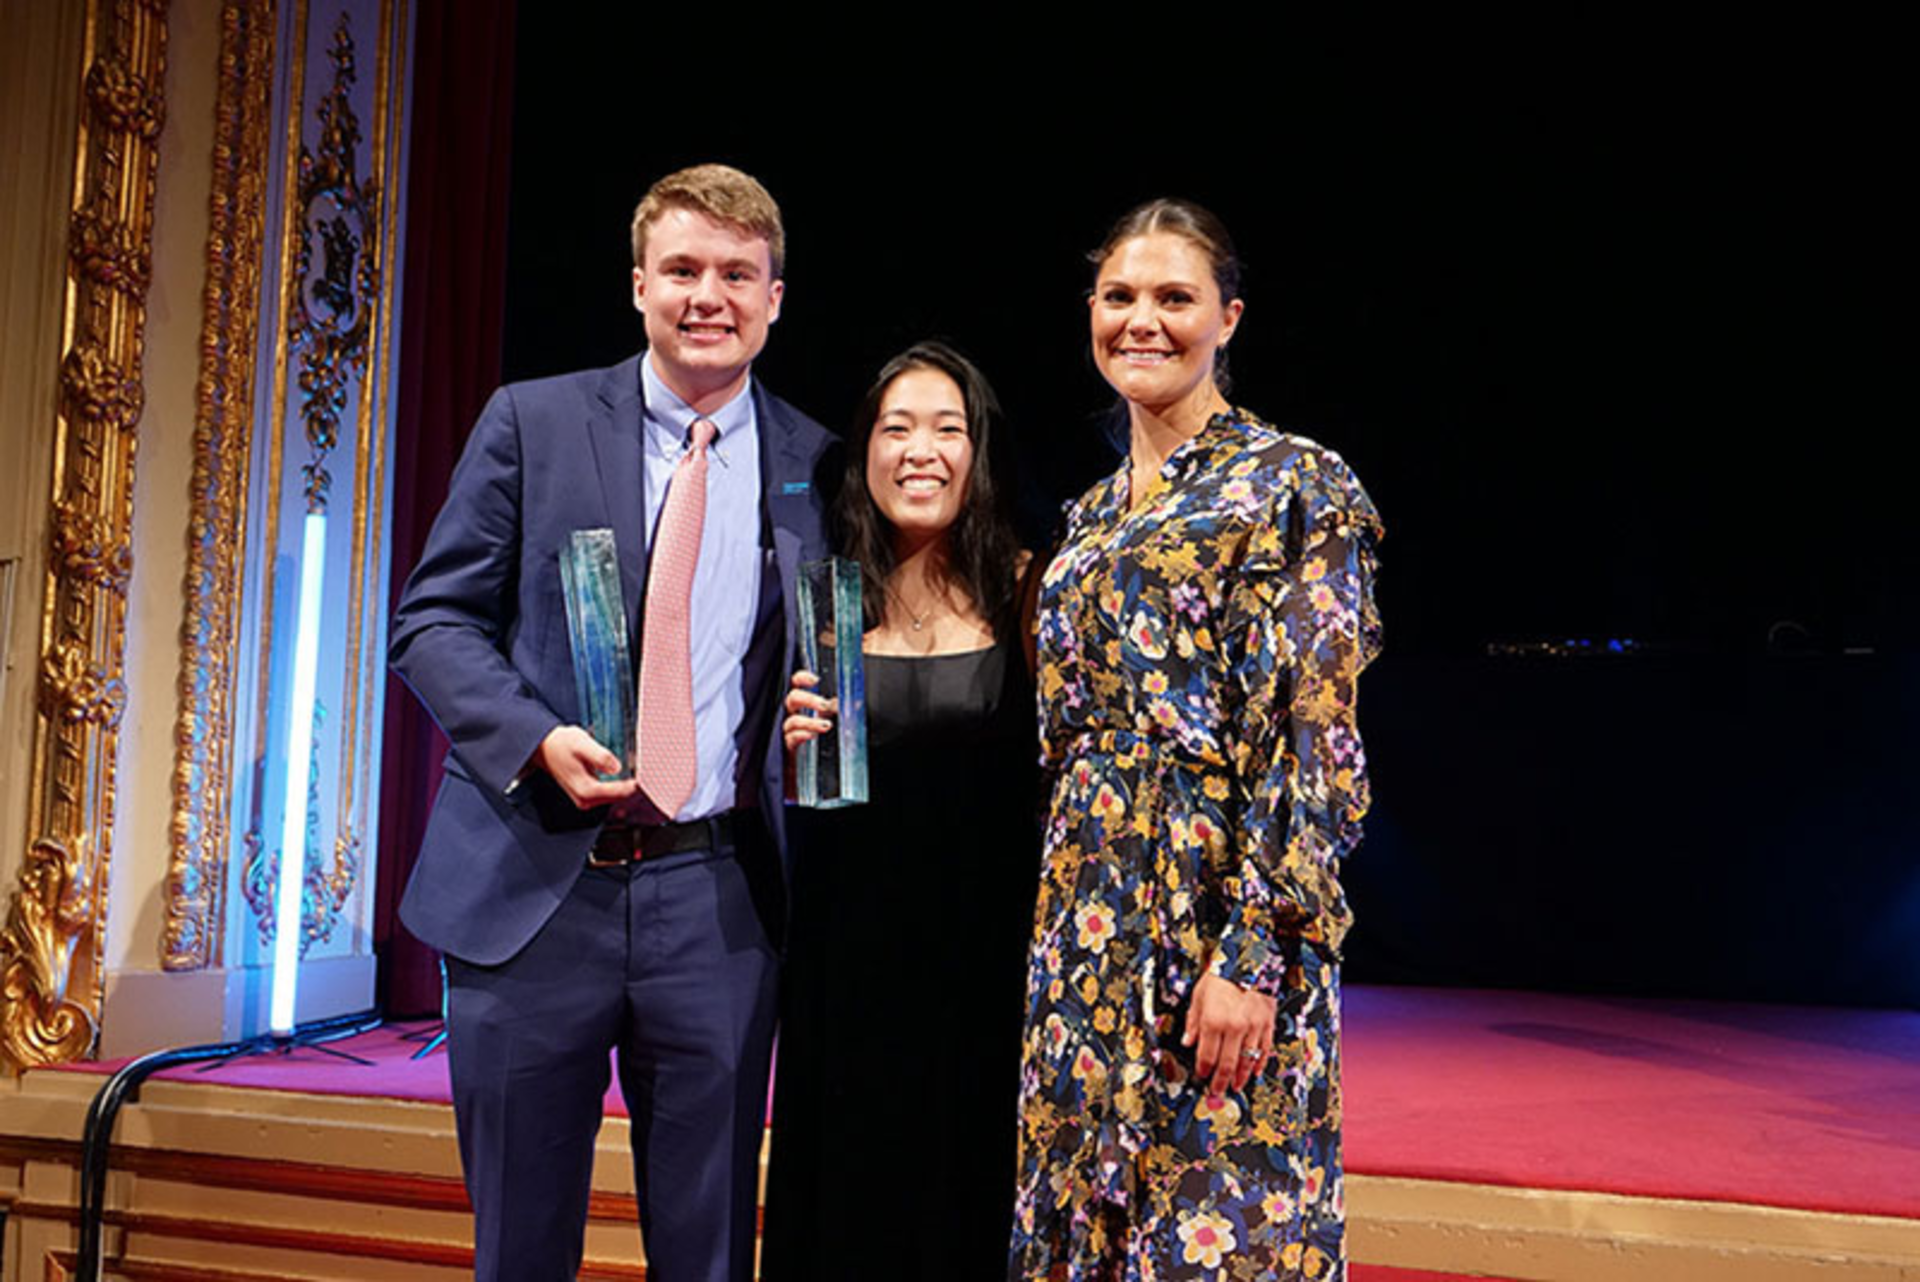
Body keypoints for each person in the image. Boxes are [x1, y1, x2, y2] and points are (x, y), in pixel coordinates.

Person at [389, 163, 834, 1282]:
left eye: (738, 273)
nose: (708, 295)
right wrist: (532, 736)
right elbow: (433, 621)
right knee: (523, 1245)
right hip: (534, 890)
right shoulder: (531, 421)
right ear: (639, 284)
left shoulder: (817, 465)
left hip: (717, 901)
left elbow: (836, 653)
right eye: (682, 268)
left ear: (775, 296)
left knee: (709, 1248)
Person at [1009, 199, 1383, 1280]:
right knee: (1081, 1220)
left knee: (1213, 1221)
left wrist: (1256, 953)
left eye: (1175, 298)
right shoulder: (1086, 518)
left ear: (1228, 317)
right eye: (1120, 296)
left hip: (1212, 915)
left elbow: (1314, 743)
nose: (1143, 321)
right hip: (1083, 919)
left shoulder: (1292, 484)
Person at [762, 341, 1040, 1281]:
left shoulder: (1033, 596)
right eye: (897, 427)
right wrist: (784, 749)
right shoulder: (822, 603)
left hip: (988, 981)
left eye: (948, 428)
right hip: (847, 980)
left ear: (980, 453)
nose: (921, 450)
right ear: (863, 451)